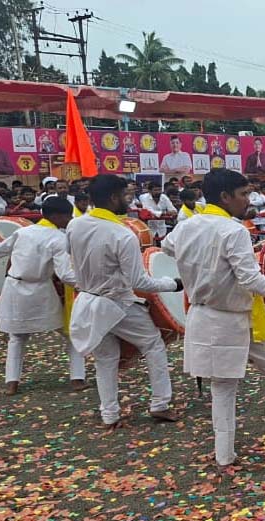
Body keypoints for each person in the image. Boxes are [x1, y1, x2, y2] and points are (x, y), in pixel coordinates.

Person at [162, 169, 265, 470]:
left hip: (204, 316)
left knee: (222, 387)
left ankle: (224, 455)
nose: (248, 200)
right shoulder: (233, 231)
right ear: (225, 197)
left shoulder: (186, 226)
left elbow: (166, 248)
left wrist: (206, 263)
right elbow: (252, 282)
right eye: (243, 194)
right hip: (236, 318)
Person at [67, 174, 184, 429]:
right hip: (117, 304)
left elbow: (71, 261)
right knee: (153, 345)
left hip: (87, 302)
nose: (129, 201)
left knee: (106, 359)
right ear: (112, 197)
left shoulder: (75, 225)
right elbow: (139, 282)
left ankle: (110, 415)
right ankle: (160, 404)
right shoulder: (121, 234)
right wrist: (173, 284)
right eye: (126, 196)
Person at [0, 197, 87, 395]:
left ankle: (11, 383)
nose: (69, 220)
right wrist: (88, 285)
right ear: (57, 216)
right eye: (68, 216)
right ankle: (77, 379)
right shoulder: (58, 238)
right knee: (71, 334)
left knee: (17, 338)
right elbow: (66, 274)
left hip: (14, 287)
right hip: (41, 290)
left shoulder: (23, 231)